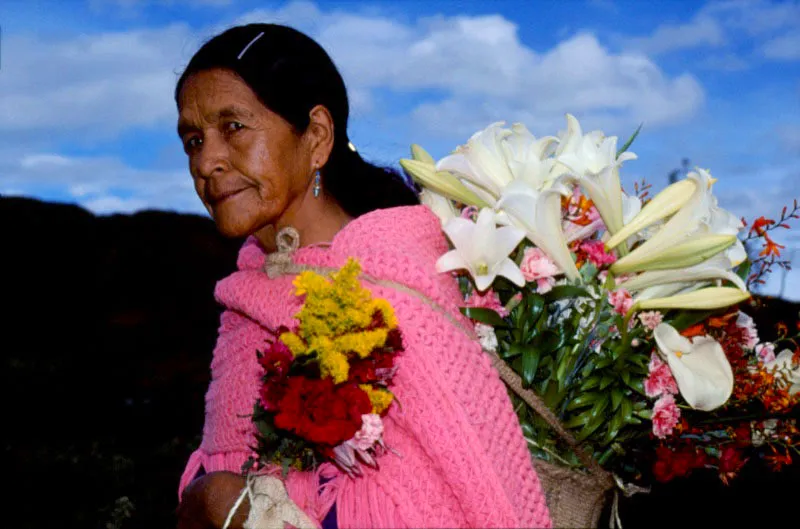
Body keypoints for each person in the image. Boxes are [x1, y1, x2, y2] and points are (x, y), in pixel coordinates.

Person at [174, 23, 551, 529]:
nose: (207, 161)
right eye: (194, 140)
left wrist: (222, 504)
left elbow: (455, 499)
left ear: (317, 136)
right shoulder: (246, 298)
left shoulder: (390, 279)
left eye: (234, 128)